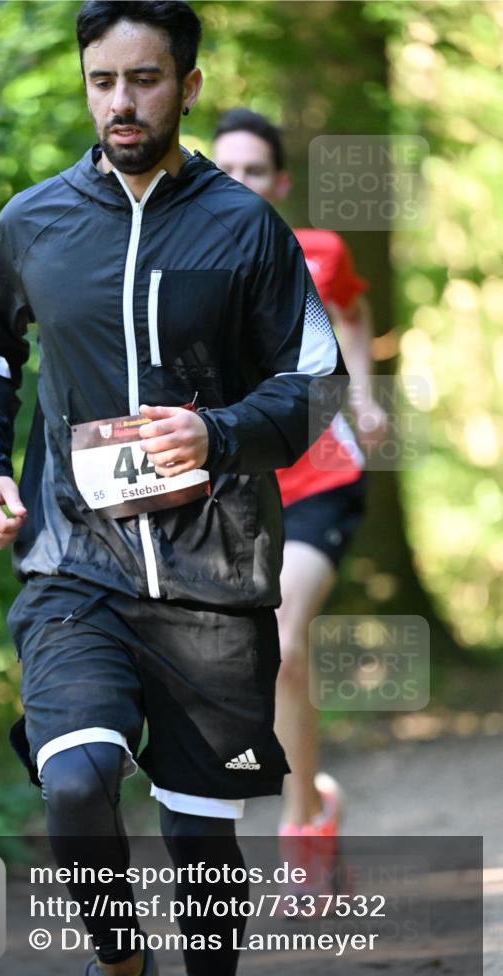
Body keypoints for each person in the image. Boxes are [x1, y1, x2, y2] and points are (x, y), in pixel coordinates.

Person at [0, 5, 347, 976]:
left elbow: (315, 383)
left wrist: (215, 433)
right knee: (77, 779)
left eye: (144, 79)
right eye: (101, 81)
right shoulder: (32, 222)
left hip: (214, 576)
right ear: (84, 84)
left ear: (188, 85)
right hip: (72, 563)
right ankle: (121, 960)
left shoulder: (244, 228)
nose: (121, 102)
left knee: (197, 832)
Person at [212, 109, 387, 866]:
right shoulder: (184, 265)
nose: (241, 184)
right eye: (226, 171)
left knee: (282, 645)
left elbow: (351, 310)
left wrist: (364, 393)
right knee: (259, 652)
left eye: (254, 171)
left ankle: (301, 829)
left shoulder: (319, 251)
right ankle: (313, 800)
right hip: (236, 490)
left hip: (324, 478)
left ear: (278, 182)